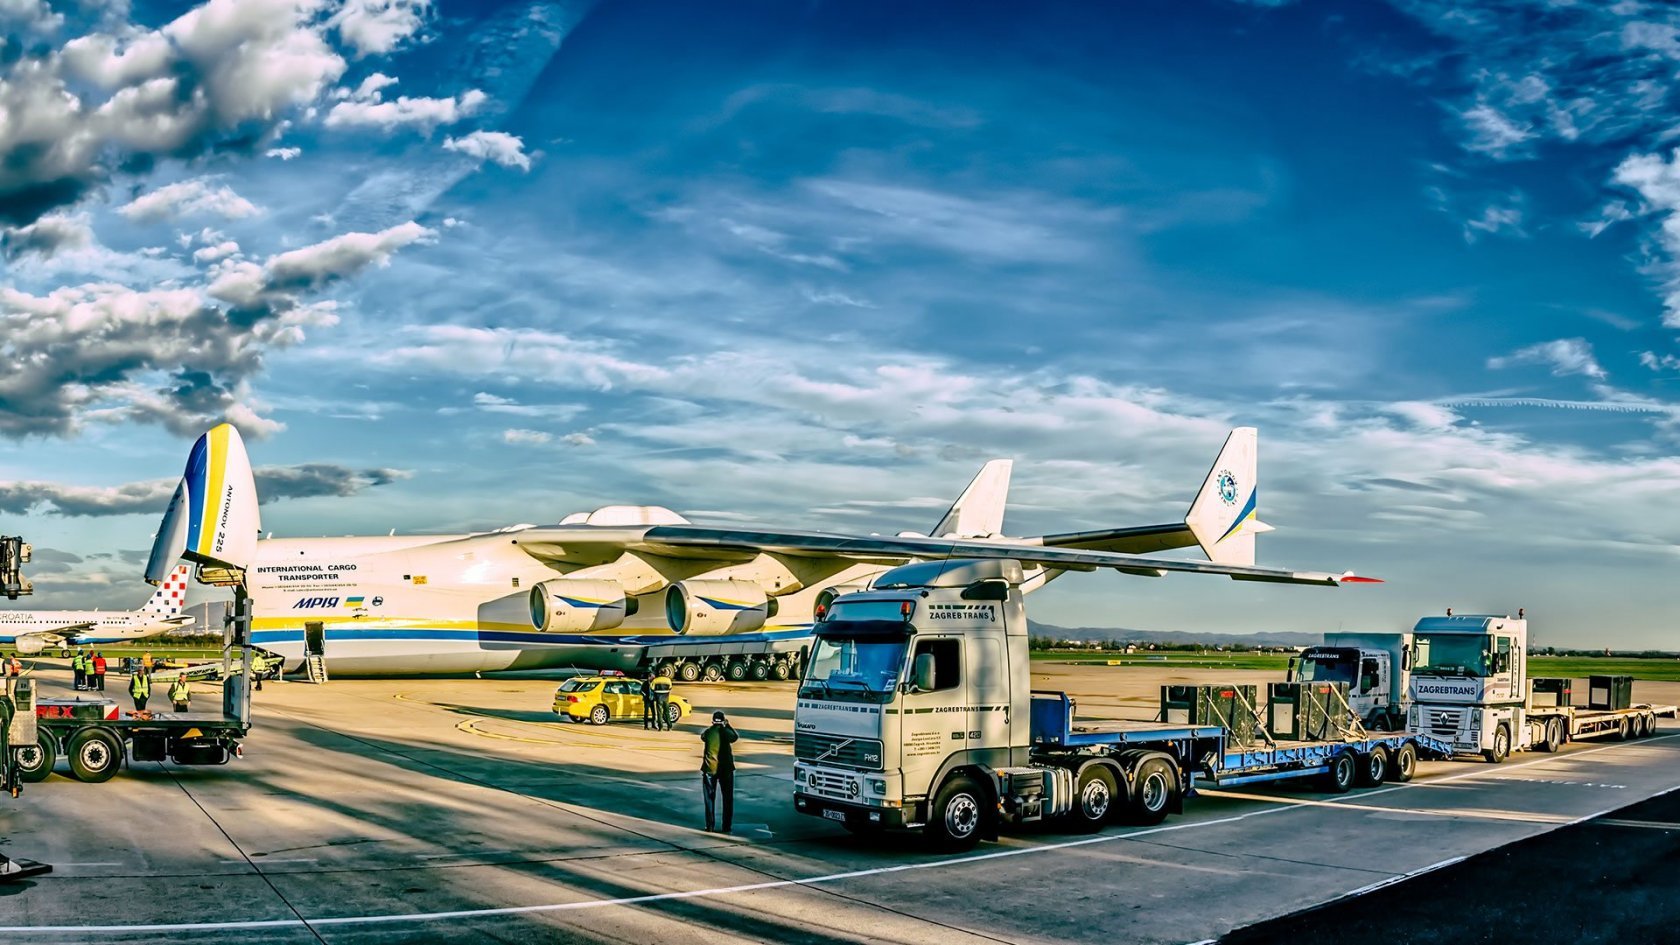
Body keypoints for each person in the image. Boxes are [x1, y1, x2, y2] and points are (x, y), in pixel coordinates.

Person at [699, 711, 738, 833]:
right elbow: (735, 737)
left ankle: (709, 825)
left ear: (712, 721)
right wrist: (728, 725)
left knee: (709, 798)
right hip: (726, 770)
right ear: (723, 720)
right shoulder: (726, 733)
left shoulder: (709, 732)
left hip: (710, 769)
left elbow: (703, 737)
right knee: (727, 799)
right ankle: (726, 826)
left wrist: (714, 726)